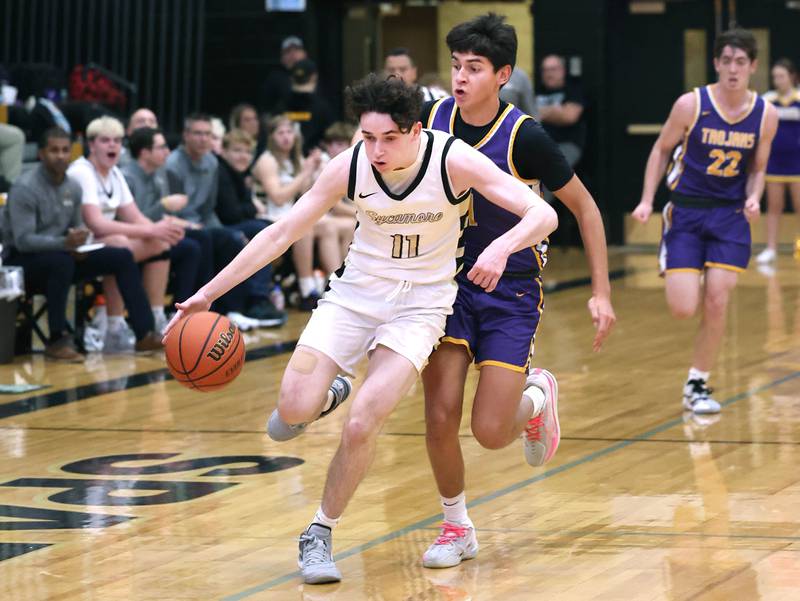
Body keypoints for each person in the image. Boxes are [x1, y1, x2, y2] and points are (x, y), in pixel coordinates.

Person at [165, 74, 558, 584]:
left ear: (417, 130)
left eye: (389, 139)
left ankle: (319, 534)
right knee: (289, 413)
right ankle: (330, 390)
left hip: (420, 307)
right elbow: (283, 232)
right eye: (367, 137)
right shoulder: (349, 166)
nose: (375, 150)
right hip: (354, 297)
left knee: (362, 422)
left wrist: (500, 247)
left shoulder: (452, 159)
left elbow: (541, 212)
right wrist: (209, 293)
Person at [420, 13, 616, 568]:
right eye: (455, 66)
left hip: (511, 291)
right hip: (448, 287)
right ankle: (455, 526)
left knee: (487, 432)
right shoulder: (430, 121)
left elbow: (585, 209)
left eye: (474, 68)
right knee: (439, 416)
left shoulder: (524, 135)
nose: (460, 77)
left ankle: (536, 398)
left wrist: (600, 292)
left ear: (502, 74)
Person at [632, 29, 777, 414]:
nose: (733, 68)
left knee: (717, 300)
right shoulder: (691, 104)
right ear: (716, 63)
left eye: (740, 62)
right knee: (683, 307)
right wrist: (647, 200)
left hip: (729, 215)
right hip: (686, 212)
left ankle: (697, 382)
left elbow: (758, 168)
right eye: (726, 60)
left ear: (753, 66)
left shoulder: (766, 114)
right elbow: (661, 150)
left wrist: (753, 196)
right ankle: (687, 270)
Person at [2, 127, 163, 360]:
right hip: (21, 263)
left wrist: (80, 243)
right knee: (61, 263)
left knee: (121, 256)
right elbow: (24, 241)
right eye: (54, 150)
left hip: (62, 254)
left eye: (65, 150)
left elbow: (78, 230)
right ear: (41, 154)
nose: (60, 155)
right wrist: (65, 244)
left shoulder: (72, 187)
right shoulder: (25, 188)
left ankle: (144, 333)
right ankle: (57, 340)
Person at [68, 116, 187, 349]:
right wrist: (151, 228)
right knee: (121, 244)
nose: (112, 145)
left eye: (116, 140)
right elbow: (96, 224)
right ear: (92, 145)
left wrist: (161, 231)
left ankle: (156, 317)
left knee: (159, 243)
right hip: (77, 244)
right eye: (105, 140)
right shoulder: (82, 171)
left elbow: (135, 216)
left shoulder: (114, 173)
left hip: (104, 243)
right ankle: (114, 324)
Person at [165, 113, 267, 330]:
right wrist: (194, 226)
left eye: (208, 135)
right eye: (198, 133)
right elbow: (171, 207)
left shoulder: (212, 162)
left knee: (230, 239)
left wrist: (224, 231)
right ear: (185, 136)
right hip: (180, 224)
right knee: (206, 240)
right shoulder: (172, 164)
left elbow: (209, 208)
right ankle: (196, 310)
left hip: (204, 223)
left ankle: (233, 310)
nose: (203, 139)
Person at [252, 115, 336, 310]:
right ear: (271, 137)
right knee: (304, 227)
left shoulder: (295, 159)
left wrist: (315, 170)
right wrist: (305, 173)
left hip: (287, 213)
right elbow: (278, 197)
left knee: (330, 226)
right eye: (280, 132)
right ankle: (307, 289)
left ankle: (336, 285)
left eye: (289, 132)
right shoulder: (267, 161)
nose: (286, 137)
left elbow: (304, 193)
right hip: (267, 215)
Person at [121, 126, 206, 312]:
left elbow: (161, 216)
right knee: (190, 248)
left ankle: (187, 308)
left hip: (154, 233)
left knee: (201, 237)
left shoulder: (157, 174)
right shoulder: (127, 177)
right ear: (144, 152)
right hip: (134, 237)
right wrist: (165, 205)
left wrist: (185, 223)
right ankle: (177, 310)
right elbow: (131, 219)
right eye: (161, 147)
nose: (167, 152)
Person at [215, 128, 287, 326]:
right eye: (237, 151)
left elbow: (244, 209)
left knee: (268, 228)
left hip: (234, 224)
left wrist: (248, 208)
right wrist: (250, 207)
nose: (243, 156)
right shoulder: (221, 171)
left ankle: (263, 294)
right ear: (224, 151)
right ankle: (258, 299)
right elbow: (231, 213)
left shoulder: (242, 174)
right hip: (219, 226)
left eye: (247, 152)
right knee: (262, 230)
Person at [756, 58, 800, 264]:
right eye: (775, 77)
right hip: (774, 162)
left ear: (791, 76)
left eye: (781, 76)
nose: (778, 80)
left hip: (797, 163)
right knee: (774, 207)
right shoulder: (768, 100)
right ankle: (771, 248)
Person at [535, 54, 587, 169]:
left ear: (562, 71)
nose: (549, 74)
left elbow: (569, 117)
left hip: (566, 144)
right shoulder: (537, 91)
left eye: (553, 69)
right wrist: (555, 111)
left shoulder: (573, 90)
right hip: (538, 145)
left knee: (552, 171)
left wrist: (538, 112)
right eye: (545, 70)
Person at [279, 58, 336, 154]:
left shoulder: (281, 106)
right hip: (312, 156)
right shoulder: (322, 107)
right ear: (314, 77)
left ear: (292, 78)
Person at [259, 36, 308, 116]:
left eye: (297, 50)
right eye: (288, 51)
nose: (293, 54)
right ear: (282, 58)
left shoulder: (314, 76)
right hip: (283, 124)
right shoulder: (274, 79)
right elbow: (265, 111)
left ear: (305, 54)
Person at [385, 47, 449, 102]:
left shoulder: (437, 98)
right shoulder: (377, 102)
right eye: (391, 70)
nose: (397, 75)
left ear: (414, 72)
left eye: (403, 69)